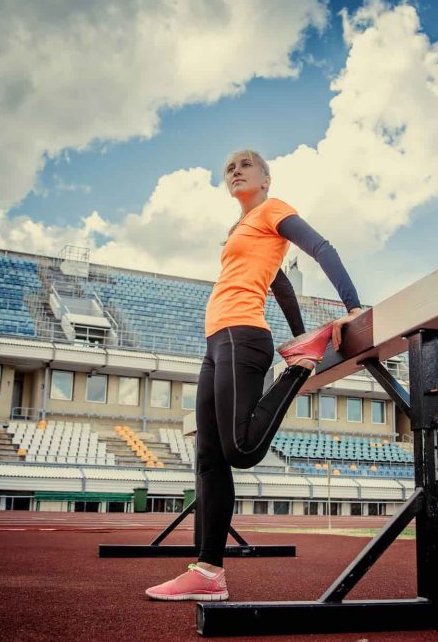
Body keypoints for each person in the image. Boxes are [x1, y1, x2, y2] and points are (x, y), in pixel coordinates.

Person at [145, 149, 362, 602]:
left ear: (265, 178)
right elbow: (280, 283)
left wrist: (353, 306)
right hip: (215, 343)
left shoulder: (273, 209)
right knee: (208, 459)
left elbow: (321, 248)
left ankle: (299, 369)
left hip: (242, 336)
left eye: (245, 165)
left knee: (240, 449)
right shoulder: (238, 231)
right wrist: (300, 333)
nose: (235, 171)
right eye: (229, 168)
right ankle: (208, 573)